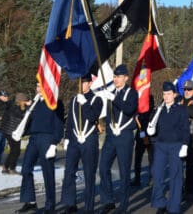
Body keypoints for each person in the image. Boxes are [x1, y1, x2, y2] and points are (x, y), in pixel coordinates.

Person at [15, 83, 64, 213]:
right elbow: (30, 123)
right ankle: (30, 201)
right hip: (34, 138)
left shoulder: (55, 102)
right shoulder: (35, 103)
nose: (38, 89)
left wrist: (54, 143)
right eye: (37, 86)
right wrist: (19, 132)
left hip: (47, 139)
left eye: (41, 85)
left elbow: (59, 124)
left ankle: (50, 205)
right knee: (25, 169)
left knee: (48, 173)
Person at [98, 64, 138, 214]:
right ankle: (108, 200)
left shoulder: (132, 93)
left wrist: (114, 98)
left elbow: (129, 109)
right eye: (114, 77)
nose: (116, 79)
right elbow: (108, 115)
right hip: (111, 136)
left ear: (126, 78)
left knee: (124, 170)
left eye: (119, 77)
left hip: (125, 136)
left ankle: (124, 204)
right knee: (103, 167)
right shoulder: (111, 94)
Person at [60, 74, 103, 214]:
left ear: (90, 84)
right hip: (74, 140)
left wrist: (84, 103)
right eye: (80, 83)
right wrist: (66, 138)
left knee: (89, 174)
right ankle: (70, 203)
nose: (81, 85)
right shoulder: (73, 100)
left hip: (89, 140)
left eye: (84, 83)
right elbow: (70, 121)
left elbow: (92, 117)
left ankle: (89, 207)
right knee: (69, 172)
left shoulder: (97, 99)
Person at [148, 81, 190, 214]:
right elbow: (151, 126)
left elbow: (185, 129)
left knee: (175, 177)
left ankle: (173, 207)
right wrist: (151, 132)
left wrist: (185, 145)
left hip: (175, 146)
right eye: (164, 94)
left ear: (174, 94)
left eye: (169, 94)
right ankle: (161, 203)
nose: (166, 96)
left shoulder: (181, 110)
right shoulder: (158, 111)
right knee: (157, 174)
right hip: (160, 146)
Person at [1, 92, 29, 174]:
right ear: (21, 101)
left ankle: (6, 167)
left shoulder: (17, 107)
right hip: (11, 132)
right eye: (25, 101)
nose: (26, 102)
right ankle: (11, 168)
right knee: (15, 151)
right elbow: (21, 116)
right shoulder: (15, 108)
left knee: (14, 150)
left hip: (12, 132)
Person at [131, 94, 155, 187]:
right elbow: (138, 125)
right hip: (141, 137)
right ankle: (137, 179)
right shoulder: (140, 111)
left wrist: (145, 137)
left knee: (152, 159)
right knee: (138, 159)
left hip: (150, 137)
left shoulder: (152, 112)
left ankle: (152, 178)